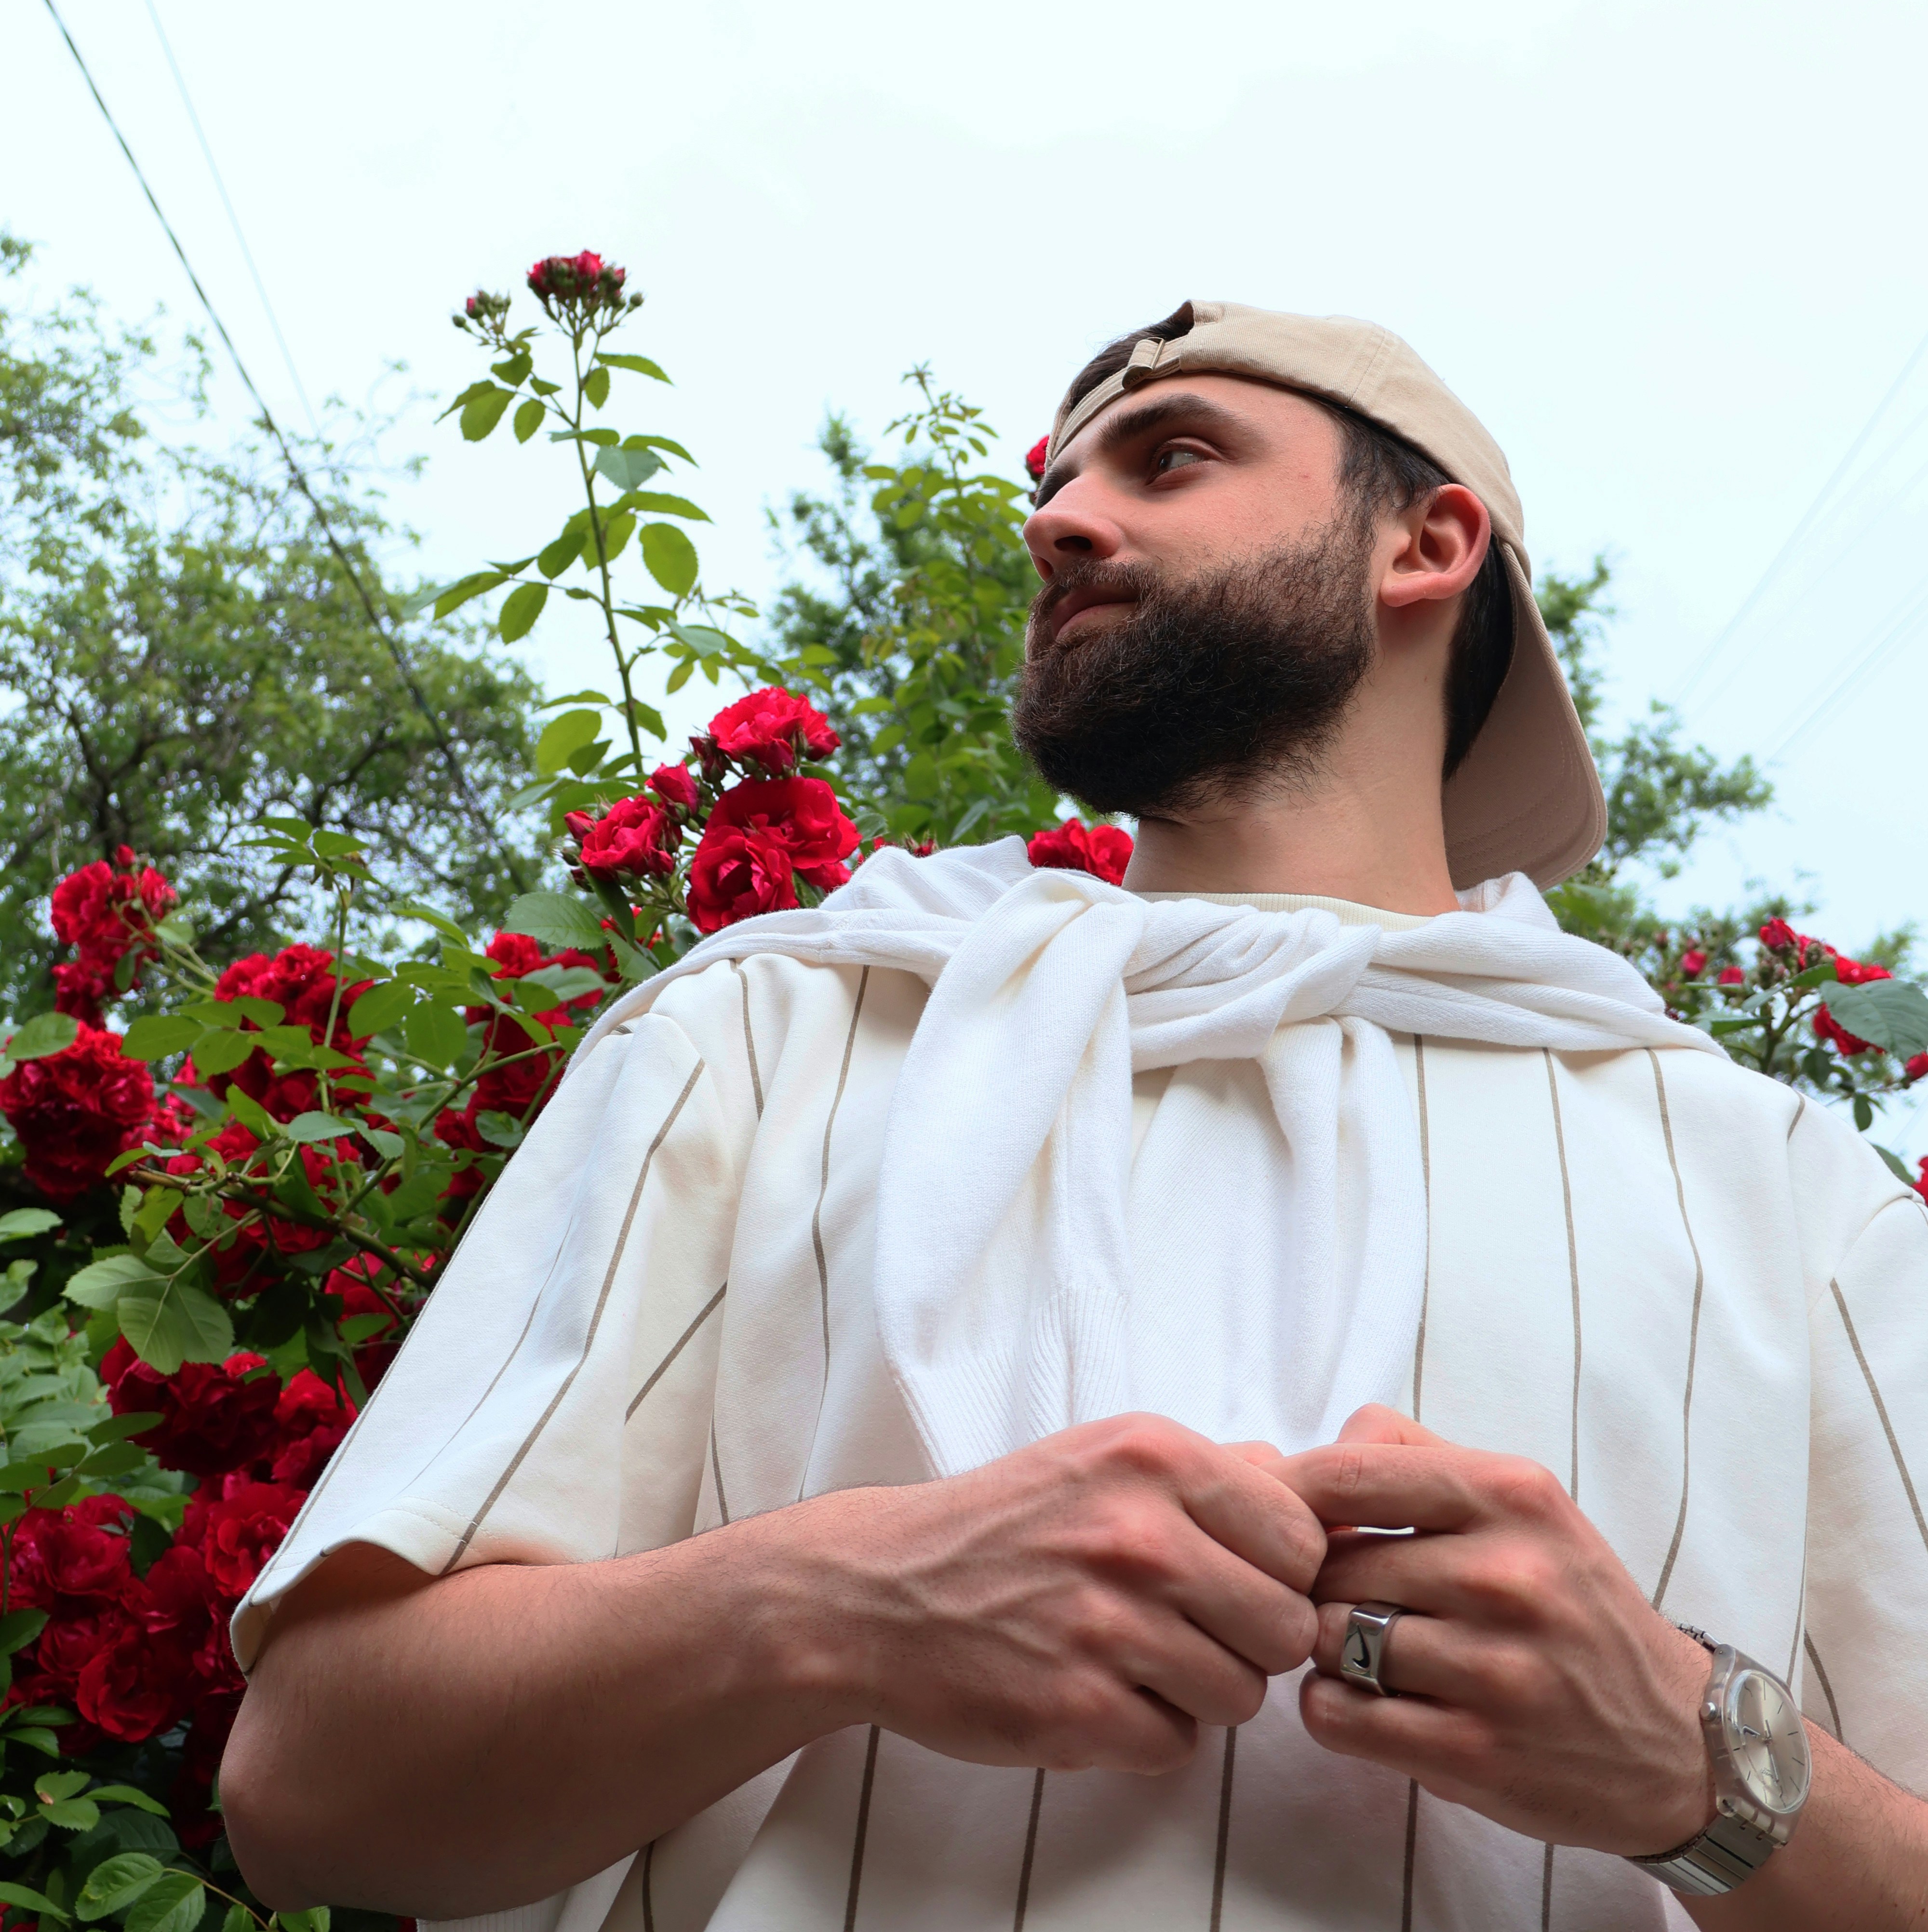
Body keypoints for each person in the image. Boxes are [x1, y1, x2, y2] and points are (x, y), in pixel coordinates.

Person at [222, 302, 1928, 1931]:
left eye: (1167, 459)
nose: (1059, 524)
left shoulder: (1785, 1195)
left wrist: (1697, 1758)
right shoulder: (769, 1033)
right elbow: (309, 1788)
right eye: (1053, 486)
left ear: (1427, 544)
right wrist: (841, 1599)